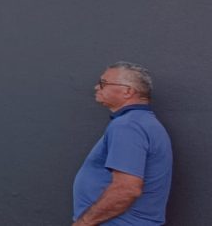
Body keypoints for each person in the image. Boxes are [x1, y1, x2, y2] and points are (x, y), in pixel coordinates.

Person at [72, 62, 172, 226]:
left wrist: (83, 223)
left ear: (128, 91)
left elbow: (127, 189)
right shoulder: (142, 122)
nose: (97, 87)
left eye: (103, 83)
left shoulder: (128, 125)